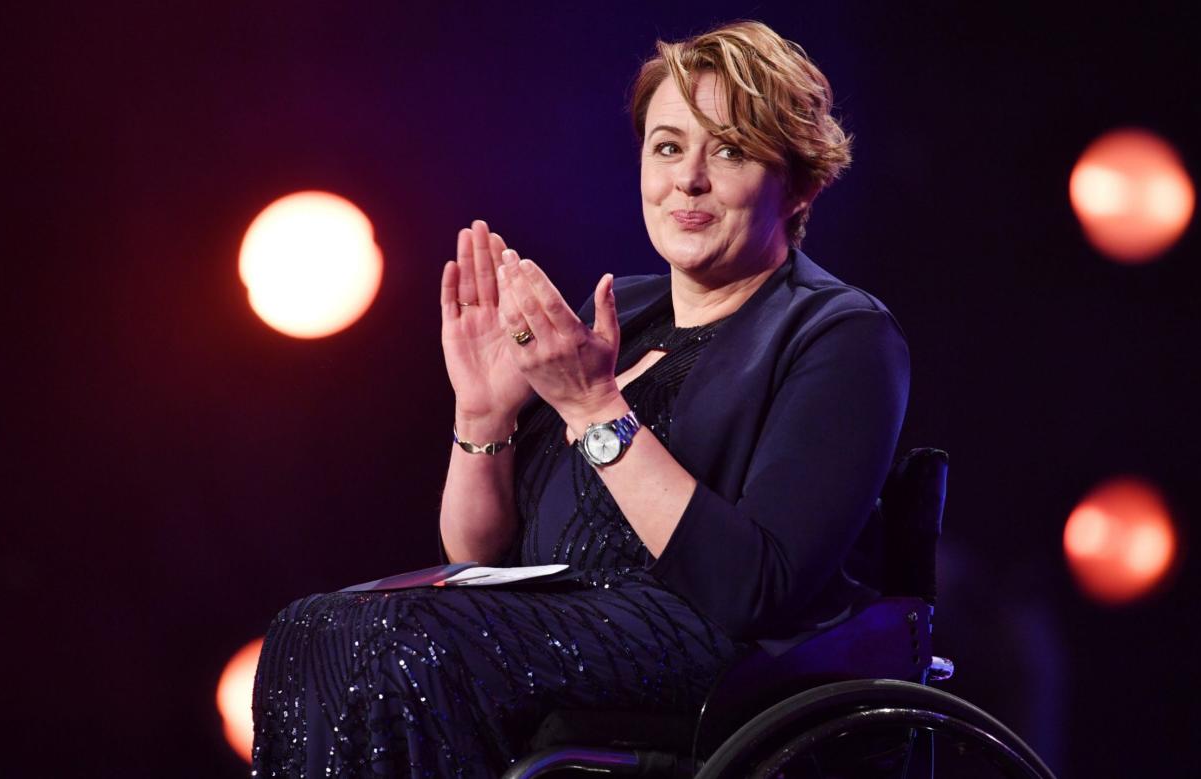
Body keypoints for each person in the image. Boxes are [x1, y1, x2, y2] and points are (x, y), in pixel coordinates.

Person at [252, 20, 909, 778]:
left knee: (408, 639)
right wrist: (483, 417)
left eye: (729, 150)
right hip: (558, 620)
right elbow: (474, 556)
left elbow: (753, 589)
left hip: (713, 649)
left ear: (797, 180)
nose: (687, 179)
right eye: (667, 147)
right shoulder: (615, 317)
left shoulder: (841, 335)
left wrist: (597, 411)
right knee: (309, 628)